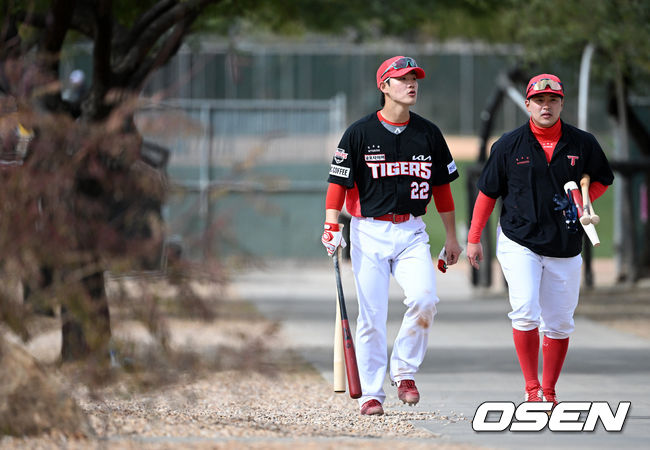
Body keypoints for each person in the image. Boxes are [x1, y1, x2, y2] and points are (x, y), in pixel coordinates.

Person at [321, 56, 462, 416]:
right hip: (368, 230)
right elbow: (338, 183)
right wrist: (331, 225)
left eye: (414, 78)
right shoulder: (359, 132)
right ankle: (371, 393)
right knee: (371, 314)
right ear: (384, 86)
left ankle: (403, 372)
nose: (411, 84)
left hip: (412, 231)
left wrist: (451, 236)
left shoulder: (428, 133)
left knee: (426, 299)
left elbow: (442, 189)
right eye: (402, 78)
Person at [466, 73, 614, 405]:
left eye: (552, 100)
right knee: (525, 311)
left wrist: (583, 203)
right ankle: (532, 388)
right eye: (539, 100)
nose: (546, 106)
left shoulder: (583, 143)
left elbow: (602, 179)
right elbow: (488, 193)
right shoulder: (508, 144)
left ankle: (550, 389)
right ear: (528, 104)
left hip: (565, 243)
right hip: (519, 239)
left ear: (562, 103)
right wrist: (474, 237)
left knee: (560, 323)